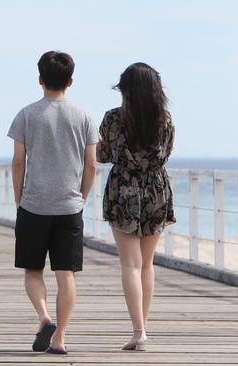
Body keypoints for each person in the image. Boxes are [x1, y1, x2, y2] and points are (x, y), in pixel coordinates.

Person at [7, 51, 98, 355]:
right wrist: (81, 197)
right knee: (66, 274)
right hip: (69, 207)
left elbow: (18, 162)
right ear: (70, 81)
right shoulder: (83, 116)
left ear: (40, 80)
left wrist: (20, 198)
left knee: (33, 271)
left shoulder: (26, 114)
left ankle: (44, 316)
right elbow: (92, 165)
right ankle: (59, 338)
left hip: (33, 206)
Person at [97, 63, 175, 351]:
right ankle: (144, 327)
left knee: (130, 263)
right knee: (147, 263)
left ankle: (138, 331)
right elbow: (166, 153)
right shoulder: (165, 119)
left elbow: (103, 155)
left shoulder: (113, 119)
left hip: (124, 190)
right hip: (156, 188)